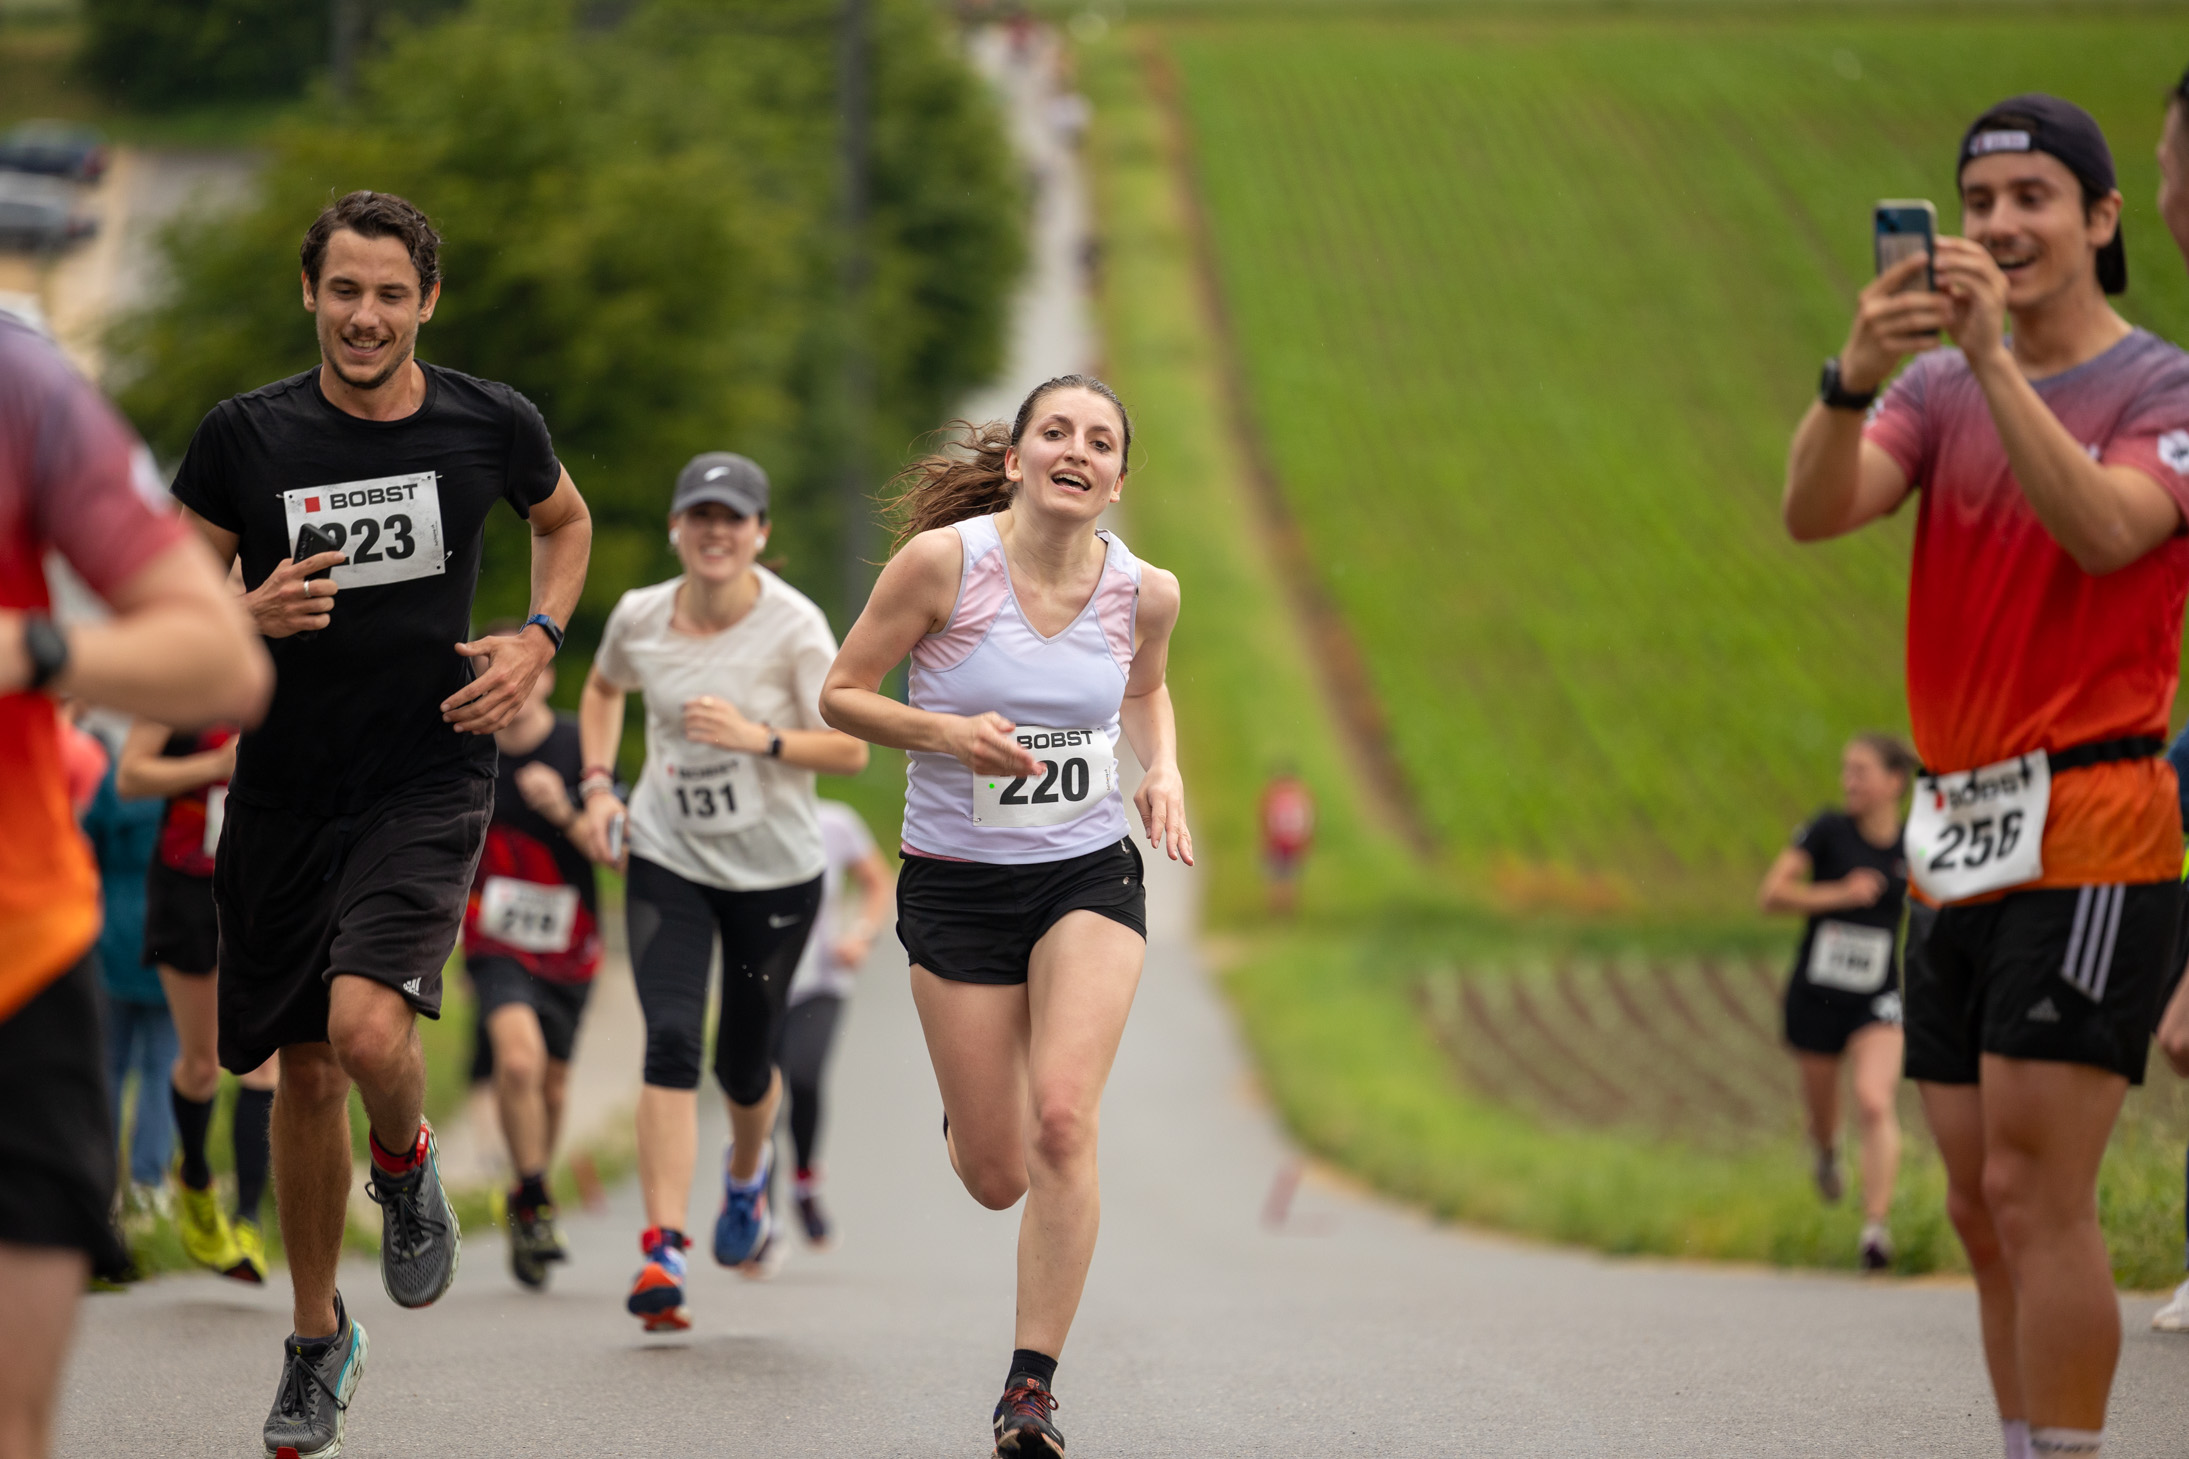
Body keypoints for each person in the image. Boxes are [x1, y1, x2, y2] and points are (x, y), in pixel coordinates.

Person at [1782, 95, 2189, 1459]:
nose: (1999, 223)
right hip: (1954, 829)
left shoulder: (2162, 389)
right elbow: (1814, 509)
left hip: (2094, 825)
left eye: (2032, 197)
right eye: (1978, 201)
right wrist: (1853, 373)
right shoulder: (1932, 390)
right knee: (1972, 1201)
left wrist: (1993, 365)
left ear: (2101, 217)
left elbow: (2105, 531)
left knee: (2033, 1187)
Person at [166, 189, 591, 1459]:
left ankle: (402, 1166)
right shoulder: (243, 437)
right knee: (302, 1069)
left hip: (428, 768)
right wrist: (243, 615)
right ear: (310, 293)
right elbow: (167, 595)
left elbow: (562, 521)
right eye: (344, 290)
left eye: (390, 294)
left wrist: (538, 636)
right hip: (282, 790)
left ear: (427, 303)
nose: (365, 316)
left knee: (363, 1025)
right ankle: (317, 1341)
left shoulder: (488, 421)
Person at [820, 374, 1191, 1458]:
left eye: (1100, 441)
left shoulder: (1145, 591)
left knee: (1063, 1119)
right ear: (1018, 458)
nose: (1077, 450)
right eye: (1055, 432)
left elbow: (1144, 688)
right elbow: (841, 692)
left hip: (1085, 875)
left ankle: (1030, 1389)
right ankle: (972, 1111)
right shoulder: (943, 565)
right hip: (956, 882)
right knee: (998, 1174)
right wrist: (948, 734)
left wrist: (1162, 768)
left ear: (1117, 480)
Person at [0, 313, 270, 1459]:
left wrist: (37, 650)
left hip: (19, 955)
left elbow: (222, 663)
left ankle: (211, 1196)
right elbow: (144, 765)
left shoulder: (21, 384)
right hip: (153, 896)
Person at [575, 451, 864, 1331]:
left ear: (759, 534)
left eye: (732, 518)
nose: (714, 532)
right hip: (668, 853)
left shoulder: (795, 627)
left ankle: (746, 1176)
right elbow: (602, 687)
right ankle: (662, 1248)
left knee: (743, 1064)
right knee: (669, 1037)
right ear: (676, 528)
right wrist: (598, 786)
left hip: (774, 872)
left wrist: (757, 737)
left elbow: (850, 748)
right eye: (699, 515)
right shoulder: (640, 616)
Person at [458, 619, 603, 1290]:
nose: (505, 686)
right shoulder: (464, 746)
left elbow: (618, 850)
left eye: (517, 670)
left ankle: (528, 1196)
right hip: (495, 938)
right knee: (518, 1061)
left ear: (544, 676)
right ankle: (536, 1198)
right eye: (485, 673)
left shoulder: (579, 744)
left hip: (571, 943)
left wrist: (566, 810)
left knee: (552, 1085)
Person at [116, 718, 278, 1284]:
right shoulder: (181, 687)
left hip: (263, 889)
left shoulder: (288, 682)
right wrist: (215, 766)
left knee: (262, 1061)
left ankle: (248, 1219)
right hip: (188, 887)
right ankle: (196, 1183)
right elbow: (130, 776)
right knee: (203, 1063)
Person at [1755, 733, 1914, 1271]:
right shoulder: (1827, 830)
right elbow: (1772, 894)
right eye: (1846, 770)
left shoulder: (1914, 843)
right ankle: (1826, 1152)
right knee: (1825, 1117)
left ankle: (1875, 1228)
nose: (1849, 781)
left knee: (1874, 1099)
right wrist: (1839, 894)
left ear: (1894, 781)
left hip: (1878, 995)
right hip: (1816, 993)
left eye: (1861, 771)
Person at [771, 797, 891, 1250]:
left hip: (821, 980)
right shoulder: (743, 822)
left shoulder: (835, 823)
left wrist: (861, 935)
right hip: (759, 983)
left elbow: (876, 881)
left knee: (803, 1078)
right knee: (759, 1095)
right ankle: (760, 1215)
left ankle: (804, 1184)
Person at [83, 727, 177, 1221]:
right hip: (170, 933)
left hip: (112, 934)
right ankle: (148, 1179)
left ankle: (101, 1175)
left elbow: (87, 846)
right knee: (164, 1065)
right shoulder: (183, 781)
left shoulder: (112, 779)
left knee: (109, 1063)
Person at [1258, 767, 1314, 916]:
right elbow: (1308, 821)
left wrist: (1264, 840)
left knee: (1276, 877)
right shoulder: (1301, 797)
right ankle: (1287, 910)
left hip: (1277, 842)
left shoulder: (1272, 796)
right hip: (1295, 842)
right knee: (1290, 877)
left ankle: (1278, 910)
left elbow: (1265, 819)